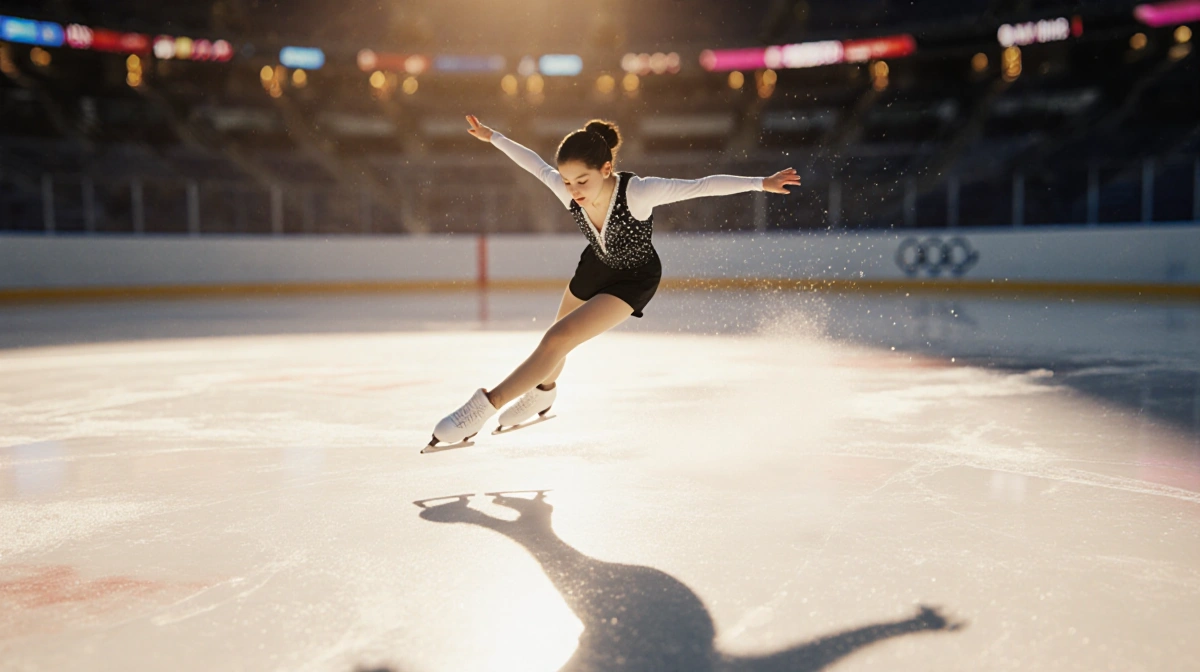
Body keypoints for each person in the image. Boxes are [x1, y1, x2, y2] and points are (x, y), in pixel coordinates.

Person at [424, 115, 800, 450]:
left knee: (557, 340)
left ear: (606, 169)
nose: (573, 189)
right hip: (596, 266)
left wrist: (760, 183)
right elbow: (536, 167)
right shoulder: (569, 190)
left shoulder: (637, 192)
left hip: (633, 279)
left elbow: (700, 185)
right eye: (568, 181)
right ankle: (543, 393)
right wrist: (494, 137)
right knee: (558, 338)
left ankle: (483, 407)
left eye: (582, 180)